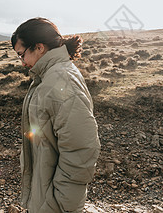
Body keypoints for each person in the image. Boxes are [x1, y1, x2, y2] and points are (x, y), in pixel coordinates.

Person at [11, 17, 101, 212]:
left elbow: (81, 150)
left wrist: (58, 201)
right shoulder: (48, 76)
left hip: (56, 202)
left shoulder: (60, 81)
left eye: (21, 54)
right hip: (47, 193)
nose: (22, 62)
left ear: (39, 47)